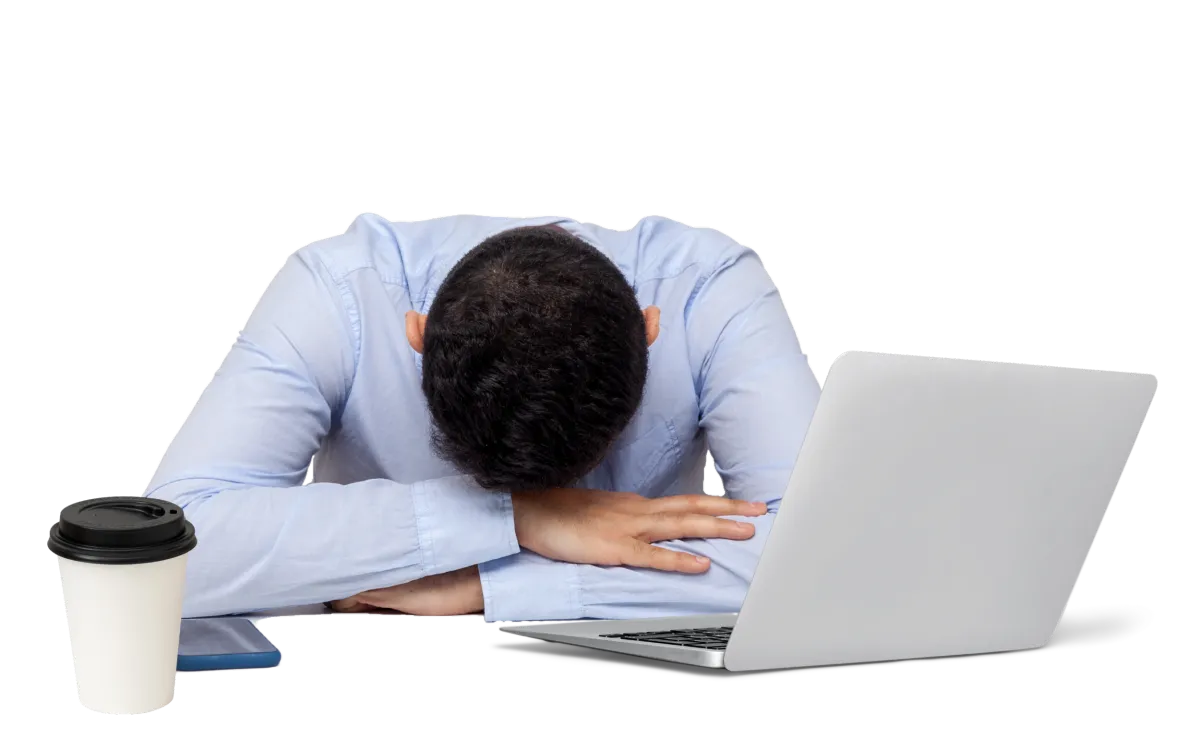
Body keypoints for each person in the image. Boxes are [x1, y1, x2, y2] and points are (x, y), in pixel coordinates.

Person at [146, 213, 822, 621]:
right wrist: (520, 518)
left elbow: (828, 557)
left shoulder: (708, 292)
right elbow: (162, 557)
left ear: (651, 333)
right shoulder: (340, 295)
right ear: (415, 337)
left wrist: (483, 583)